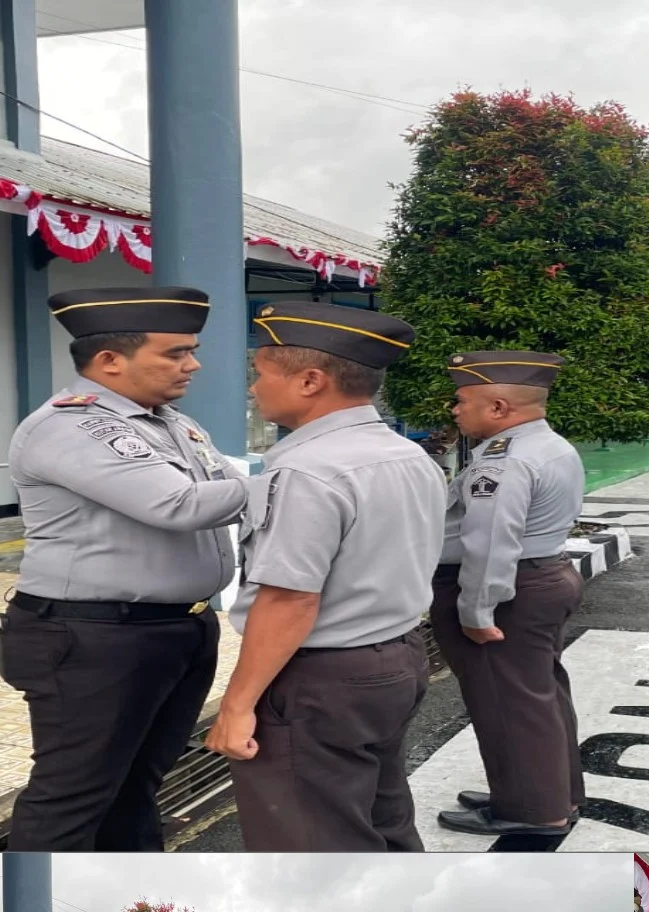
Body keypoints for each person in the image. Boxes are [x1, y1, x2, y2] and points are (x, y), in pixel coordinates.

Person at [0, 285, 247, 852]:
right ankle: (44, 883)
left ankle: (133, 881)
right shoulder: (72, 426)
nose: (193, 365)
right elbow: (178, 504)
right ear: (110, 360)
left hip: (173, 629)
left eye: (191, 351)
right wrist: (306, 479)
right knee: (73, 795)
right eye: (176, 353)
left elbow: (226, 487)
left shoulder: (169, 422)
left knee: (137, 785)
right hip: (96, 638)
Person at [205, 301, 444, 852]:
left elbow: (289, 600)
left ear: (310, 381)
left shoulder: (307, 470)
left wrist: (237, 706)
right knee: (382, 821)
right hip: (396, 656)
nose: (252, 389)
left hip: (322, 679)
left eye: (260, 373)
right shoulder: (408, 456)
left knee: (310, 847)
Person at [431, 351, 586, 841]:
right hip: (542, 576)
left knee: (508, 702)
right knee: (539, 695)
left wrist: (477, 609)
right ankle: (554, 794)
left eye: (462, 400)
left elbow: (491, 541)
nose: (455, 409)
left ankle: (533, 810)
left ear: (498, 407)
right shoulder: (549, 445)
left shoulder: (507, 460)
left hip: (509, 591)